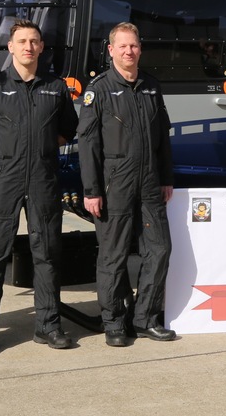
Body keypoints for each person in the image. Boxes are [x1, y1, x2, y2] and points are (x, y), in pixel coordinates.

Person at [0, 19, 79, 358]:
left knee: (46, 253)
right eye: (22, 41)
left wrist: (40, 152)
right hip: (5, 179)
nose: (28, 47)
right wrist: (4, 155)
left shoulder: (56, 88)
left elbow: (68, 130)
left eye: (34, 41)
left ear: (41, 47)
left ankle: (48, 325)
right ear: (11, 47)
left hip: (43, 179)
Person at [77, 22, 178, 347]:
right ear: (111, 50)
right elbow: (88, 144)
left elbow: (163, 137)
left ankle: (145, 318)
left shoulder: (151, 86)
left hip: (149, 182)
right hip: (114, 184)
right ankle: (114, 323)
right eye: (122, 46)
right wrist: (92, 190)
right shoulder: (100, 89)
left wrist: (166, 178)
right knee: (113, 256)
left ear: (140, 49)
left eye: (133, 45)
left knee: (160, 249)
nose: (128, 51)